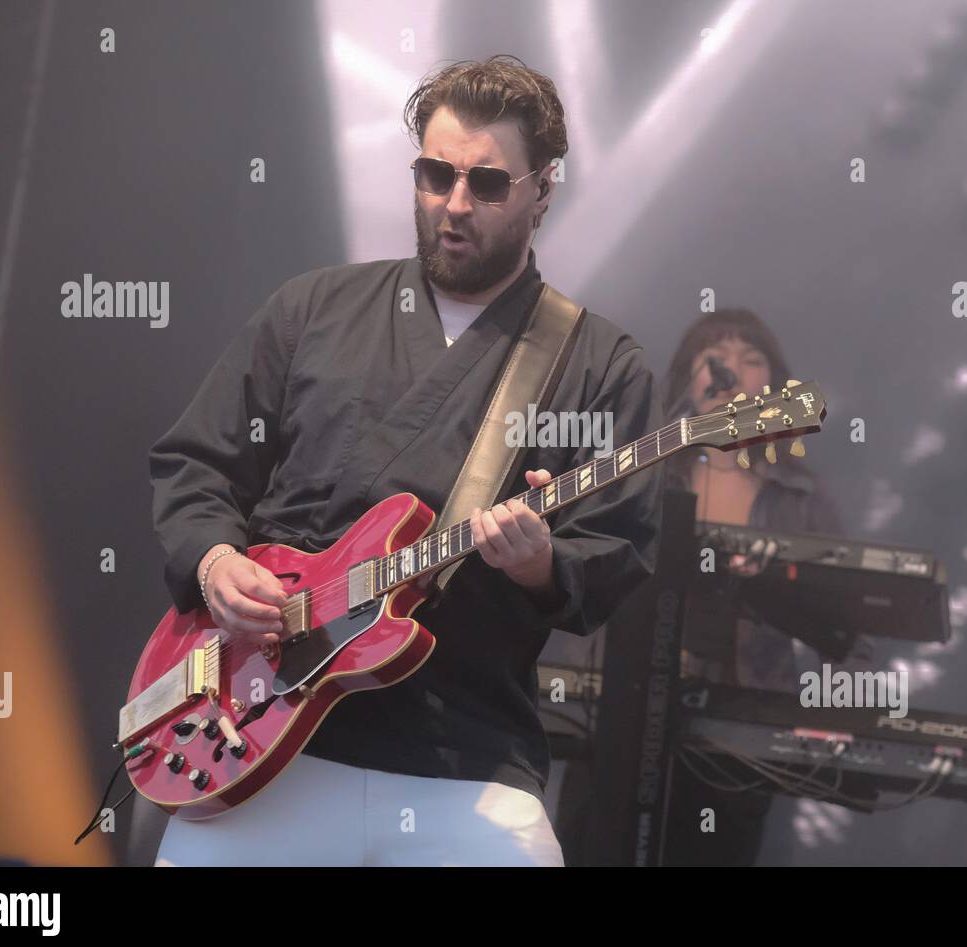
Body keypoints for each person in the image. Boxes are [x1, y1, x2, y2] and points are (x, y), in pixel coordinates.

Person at [146, 56, 663, 866]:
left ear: (543, 190)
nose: (454, 205)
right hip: (260, 735)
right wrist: (214, 561)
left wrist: (540, 563)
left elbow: (619, 545)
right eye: (435, 174)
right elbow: (197, 461)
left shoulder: (600, 365)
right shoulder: (312, 307)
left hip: (463, 753)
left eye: (488, 185)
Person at [658, 308, 873, 866]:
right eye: (716, 358)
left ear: (772, 388)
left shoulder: (800, 499)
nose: (731, 370)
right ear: (689, 378)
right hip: (626, 716)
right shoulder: (645, 474)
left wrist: (832, 729)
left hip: (746, 735)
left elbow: (851, 629)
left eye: (750, 360)